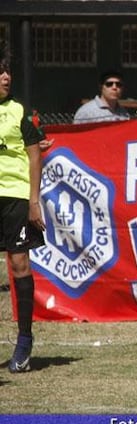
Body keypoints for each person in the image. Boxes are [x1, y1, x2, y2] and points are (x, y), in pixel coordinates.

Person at [0, 44, 51, 373]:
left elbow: (35, 155)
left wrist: (34, 202)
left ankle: (24, 342)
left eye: (8, 72)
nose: (6, 76)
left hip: (17, 197)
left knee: (19, 265)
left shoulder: (19, 111)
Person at [73, 70, 137, 124]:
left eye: (118, 84)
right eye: (109, 84)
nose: (114, 87)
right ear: (101, 87)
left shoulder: (123, 113)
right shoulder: (87, 111)